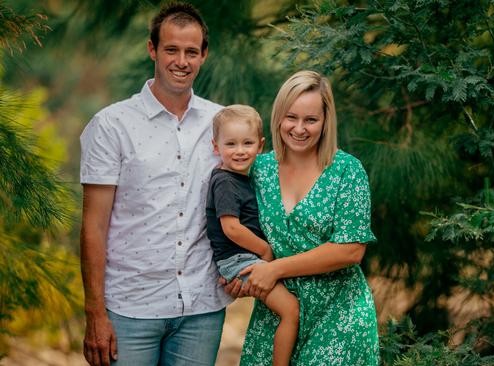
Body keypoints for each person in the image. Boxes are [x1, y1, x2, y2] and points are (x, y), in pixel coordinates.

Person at [79, 2, 230, 365]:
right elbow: (93, 227)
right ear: (152, 50)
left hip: (201, 309)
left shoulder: (222, 122)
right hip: (129, 308)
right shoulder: (111, 125)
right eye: (171, 50)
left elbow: (241, 200)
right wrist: (95, 314)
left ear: (204, 56)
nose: (182, 61)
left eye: (191, 52)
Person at [224, 70, 379, 365]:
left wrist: (275, 268)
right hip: (277, 311)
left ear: (326, 122)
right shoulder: (258, 169)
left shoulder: (347, 170)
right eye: (291, 117)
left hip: (339, 316)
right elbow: (233, 225)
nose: (299, 128)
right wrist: (236, 275)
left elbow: (351, 249)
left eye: (311, 120)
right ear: (278, 117)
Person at [207, 105, 300, 366]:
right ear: (216, 147)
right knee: (290, 309)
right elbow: (231, 228)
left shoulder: (244, 178)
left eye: (247, 143)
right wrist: (265, 251)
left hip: (245, 257)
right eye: (231, 144)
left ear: (260, 146)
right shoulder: (224, 181)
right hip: (239, 259)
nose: (239, 151)